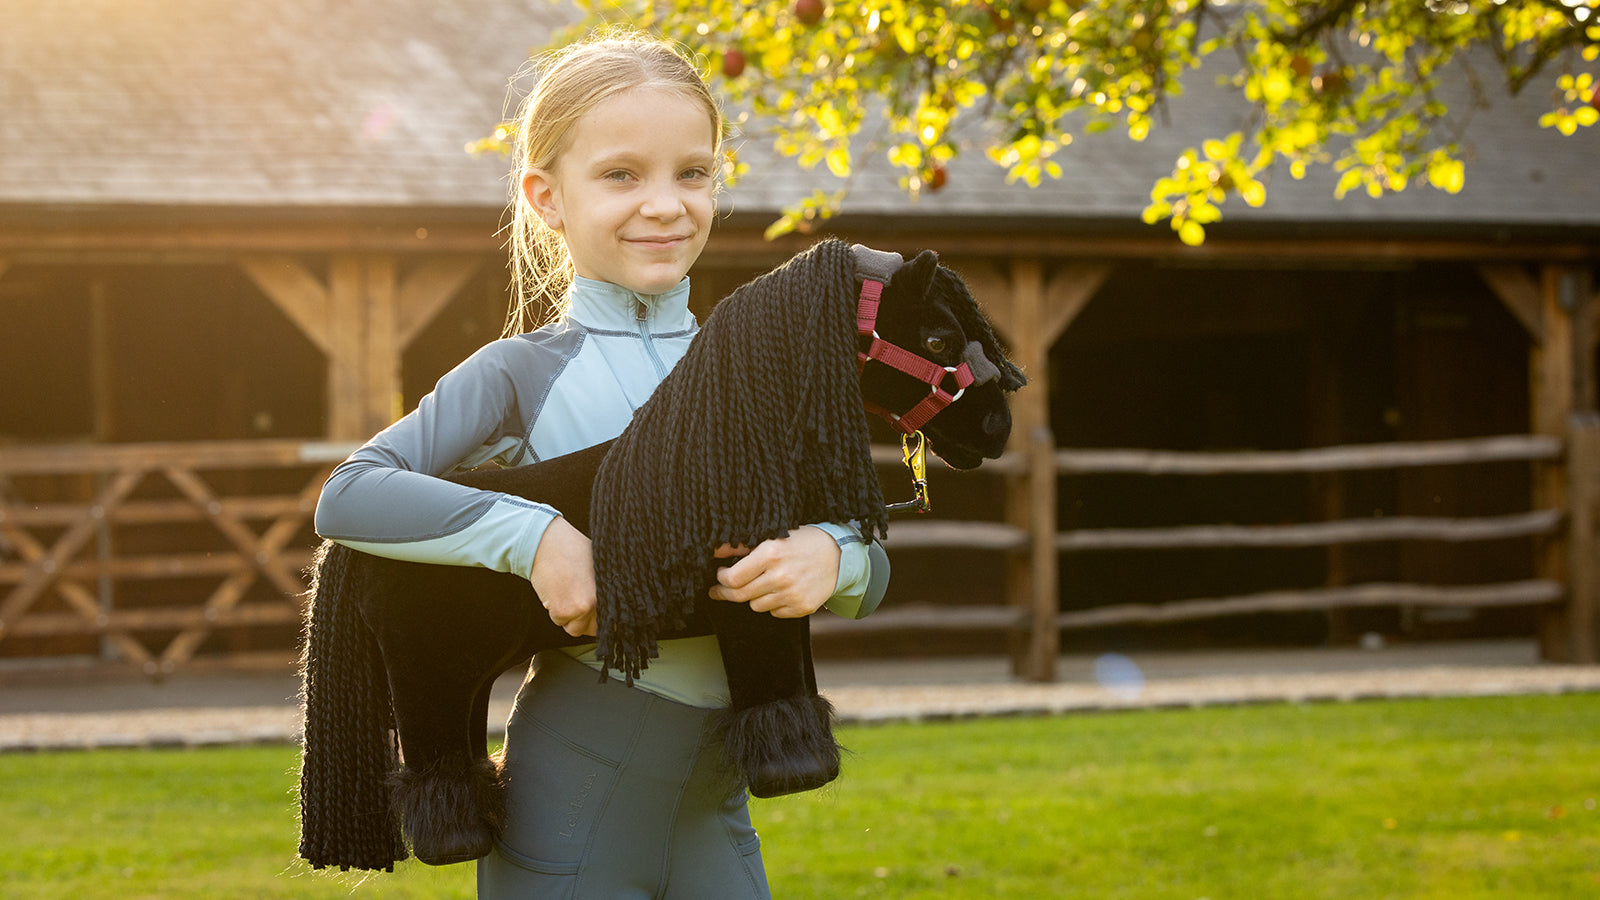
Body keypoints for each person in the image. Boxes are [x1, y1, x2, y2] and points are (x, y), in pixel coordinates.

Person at [312, 30, 888, 899]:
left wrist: (833, 557)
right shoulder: (520, 374)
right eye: (622, 175)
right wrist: (533, 535)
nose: (665, 204)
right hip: (567, 819)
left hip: (715, 818)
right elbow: (347, 497)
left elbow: (871, 563)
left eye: (692, 173)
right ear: (547, 196)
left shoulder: (762, 373)